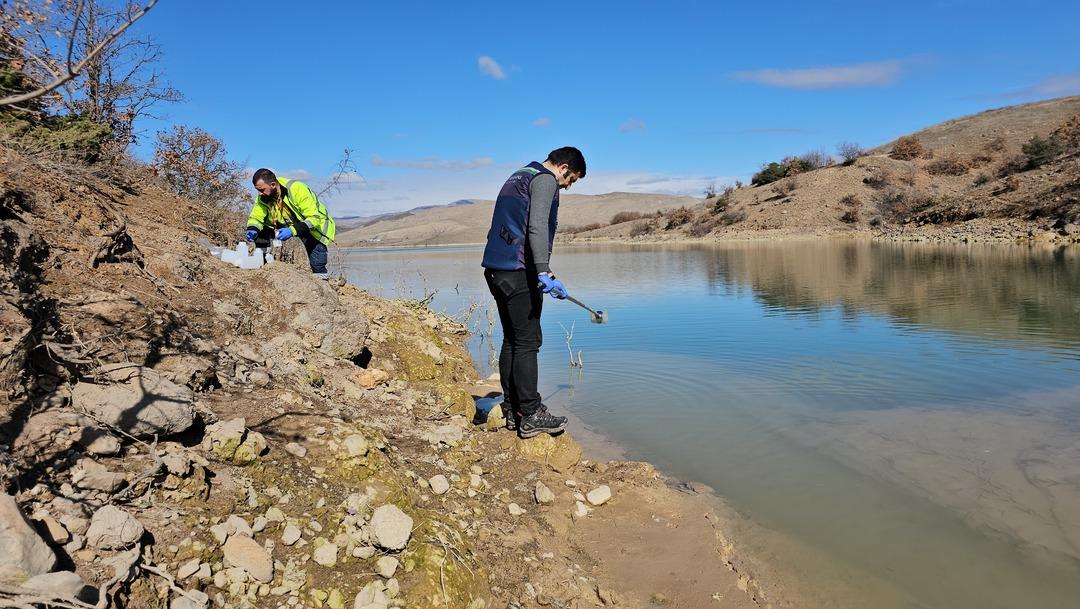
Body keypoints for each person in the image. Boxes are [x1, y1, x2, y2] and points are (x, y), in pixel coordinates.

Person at [481, 147, 586, 438]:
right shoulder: (545, 179)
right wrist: (541, 270)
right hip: (518, 273)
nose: (568, 186)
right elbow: (537, 226)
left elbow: (512, 227)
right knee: (528, 341)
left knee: (513, 340)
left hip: (497, 269)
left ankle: (513, 410)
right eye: (572, 179)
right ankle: (530, 414)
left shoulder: (518, 176)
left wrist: (546, 272)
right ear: (563, 168)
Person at [244, 168, 336, 279]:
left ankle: (323, 289)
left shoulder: (297, 189)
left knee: (317, 264)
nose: (260, 193)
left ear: (273, 184)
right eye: (258, 190)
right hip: (285, 224)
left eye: (262, 190)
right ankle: (262, 266)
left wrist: (292, 230)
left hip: (312, 227)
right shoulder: (263, 197)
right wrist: (252, 228)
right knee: (260, 231)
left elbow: (314, 219)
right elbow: (256, 216)